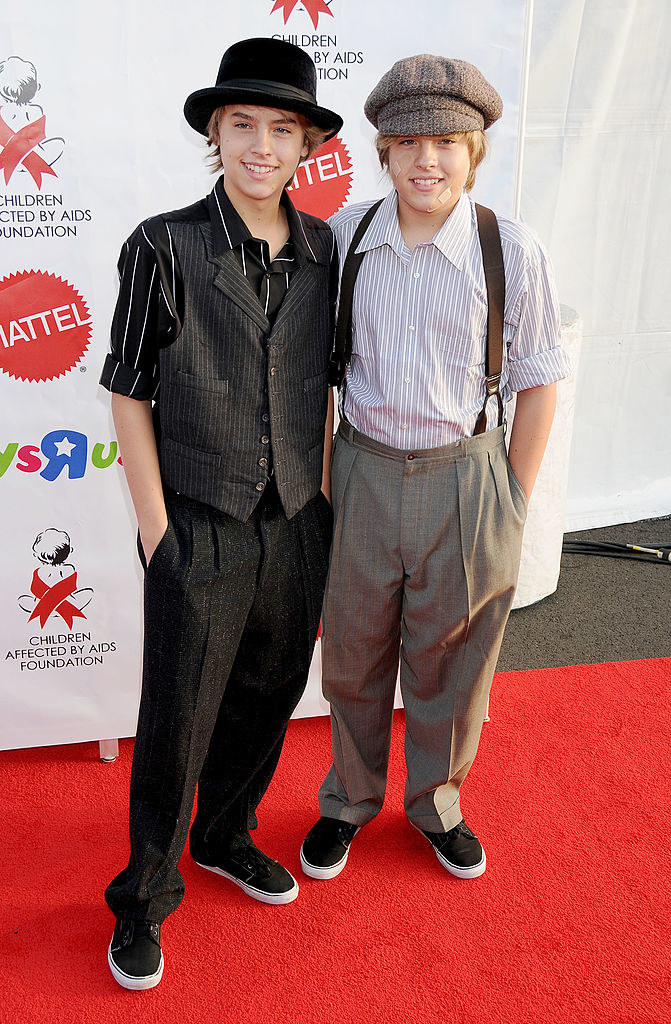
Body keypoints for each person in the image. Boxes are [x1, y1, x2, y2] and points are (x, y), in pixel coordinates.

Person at [100, 37, 342, 990]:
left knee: (268, 693)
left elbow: (321, 380)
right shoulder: (161, 243)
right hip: (195, 520)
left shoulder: (326, 247)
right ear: (214, 132)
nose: (260, 146)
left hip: (295, 518)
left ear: (305, 146)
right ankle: (143, 899)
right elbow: (127, 390)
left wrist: (314, 496)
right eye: (242, 125)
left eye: (281, 129)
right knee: (177, 719)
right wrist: (158, 533)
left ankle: (224, 834)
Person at [300, 55, 570, 884]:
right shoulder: (341, 238)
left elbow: (537, 382)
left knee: (452, 663)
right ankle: (346, 800)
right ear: (381, 151)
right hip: (361, 472)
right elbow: (314, 378)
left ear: (474, 150)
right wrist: (319, 491)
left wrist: (510, 498)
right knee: (349, 654)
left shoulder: (510, 250)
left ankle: (438, 805)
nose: (427, 161)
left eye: (447, 141)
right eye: (408, 141)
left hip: (469, 477)